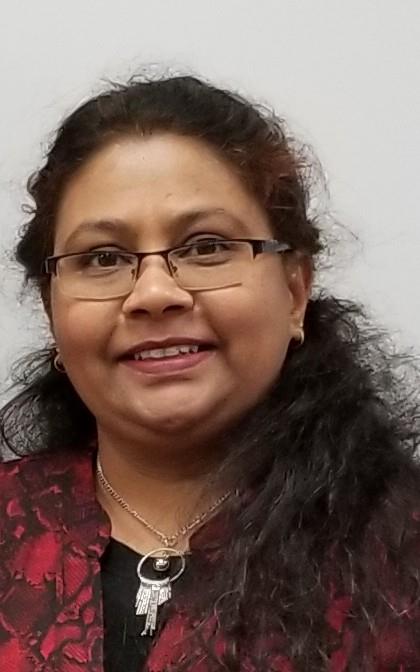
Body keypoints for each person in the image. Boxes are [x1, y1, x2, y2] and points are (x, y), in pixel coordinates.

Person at [0, 73, 419, 672]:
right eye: (103, 257)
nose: (153, 294)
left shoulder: (402, 554)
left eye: (205, 248)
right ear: (52, 310)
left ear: (295, 291)